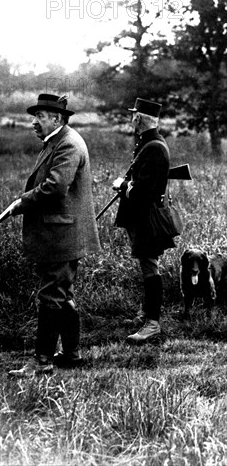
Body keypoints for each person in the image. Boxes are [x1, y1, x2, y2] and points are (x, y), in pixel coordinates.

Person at [8, 93, 100, 377]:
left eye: (40, 117)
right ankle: (71, 354)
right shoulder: (57, 141)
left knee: (52, 296)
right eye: (33, 117)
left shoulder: (68, 144)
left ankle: (42, 361)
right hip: (61, 232)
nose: (34, 122)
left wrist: (23, 202)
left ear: (57, 119)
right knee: (62, 294)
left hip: (63, 234)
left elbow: (55, 187)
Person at [112, 97, 176, 343]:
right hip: (141, 217)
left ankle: (152, 323)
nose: (131, 118)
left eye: (133, 115)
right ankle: (146, 313)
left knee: (150, 267)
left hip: (147, 217)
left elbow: (143, 191)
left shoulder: (154, 147)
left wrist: (123, 184)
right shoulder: (148, 144)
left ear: (138, 118)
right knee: (146, 265)